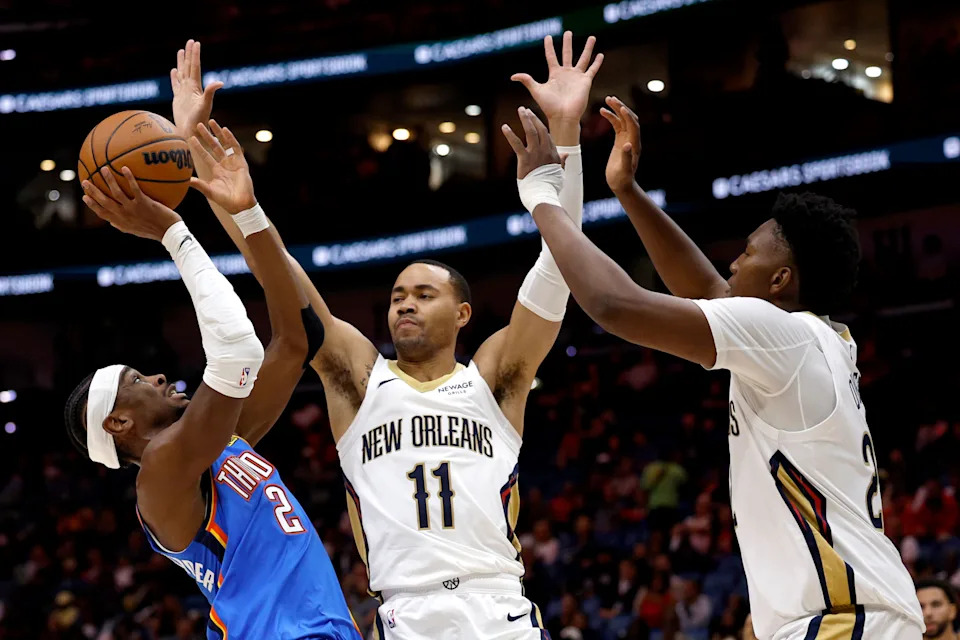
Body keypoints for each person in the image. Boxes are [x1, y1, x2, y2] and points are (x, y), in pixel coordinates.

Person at [184, 33, 602, 638]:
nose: (404, 304)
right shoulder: (359, 378)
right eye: (397, 296)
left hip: (497, 605)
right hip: (404, 611)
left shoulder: (493, 376)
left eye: (423, 295)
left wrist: (567, 137)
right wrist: (229, 191)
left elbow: (563, 267)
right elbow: (285, 286)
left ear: (463, 314)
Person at [501, 101, 924, 639]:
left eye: (748, 253)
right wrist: (628, 192)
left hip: (845, 620)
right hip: (848, 617)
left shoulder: (785, 338)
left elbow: (614, 305)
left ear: (780, 281)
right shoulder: (816, 339)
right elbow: (710, 291)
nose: (733, 263)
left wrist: (541, 200)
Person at [65, 110, 359, 637]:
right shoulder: (160, 476)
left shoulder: (221, 444)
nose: (156, 378)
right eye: (136, 382)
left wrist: (247, 214)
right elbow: (237, 352)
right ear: (118, 425)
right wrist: (174, 233)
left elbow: (294, 341)